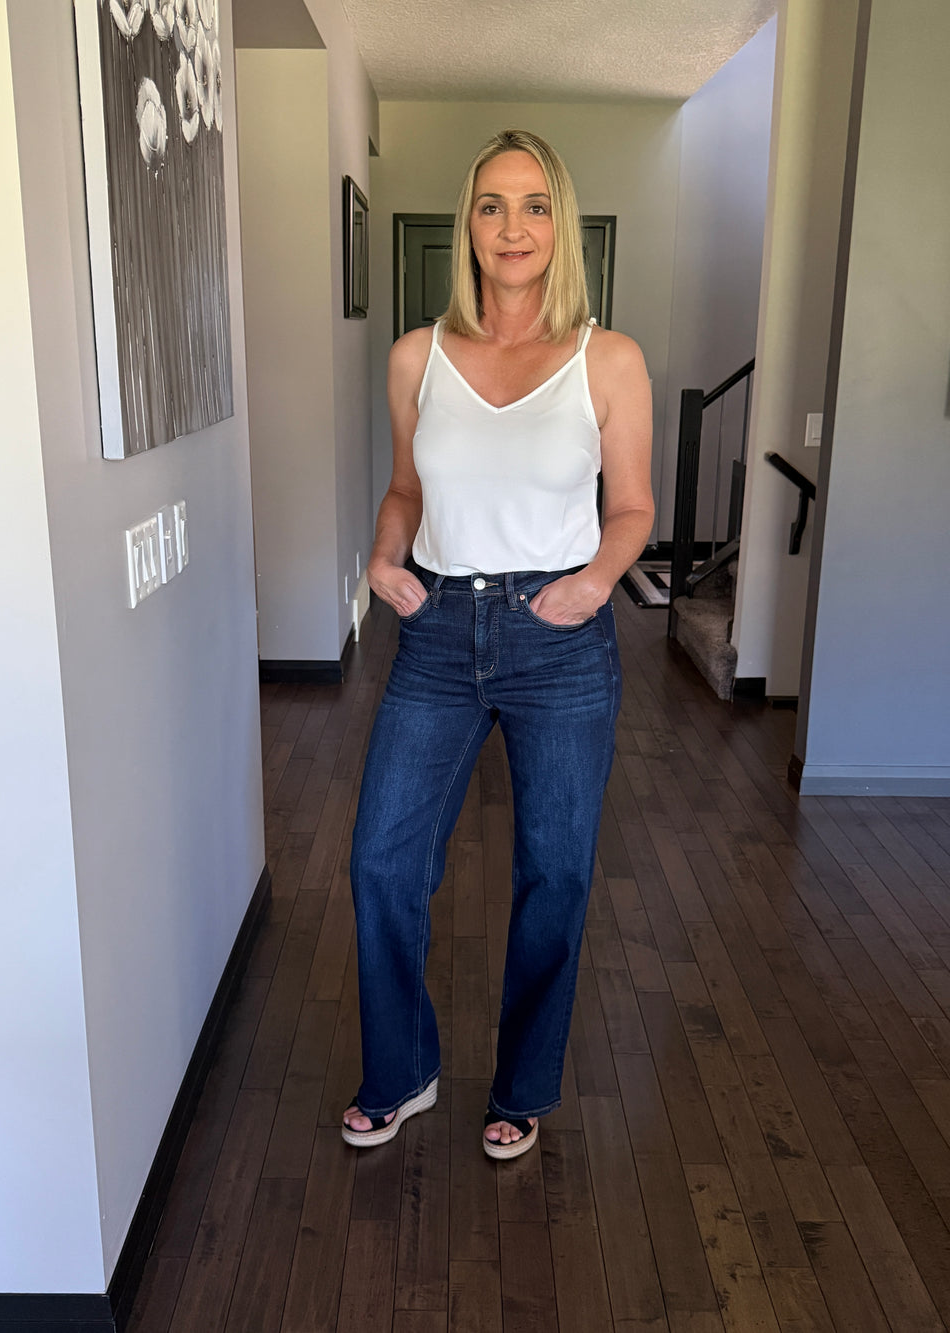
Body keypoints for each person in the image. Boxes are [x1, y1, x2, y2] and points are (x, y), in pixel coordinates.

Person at [342, 129, 654, 1160]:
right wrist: (382, 557)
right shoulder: (416, 357)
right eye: (491, 205)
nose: (511, 227)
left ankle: (521, 1086)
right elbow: (405, 489)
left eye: (533, 206)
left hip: (558, 639)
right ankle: (403, 1069)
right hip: (437, 632)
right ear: (467, 224)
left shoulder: (608, 359)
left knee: (554, 873)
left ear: (559, 225)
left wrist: (596, 584)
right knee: (382, 861)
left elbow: (633, 507)